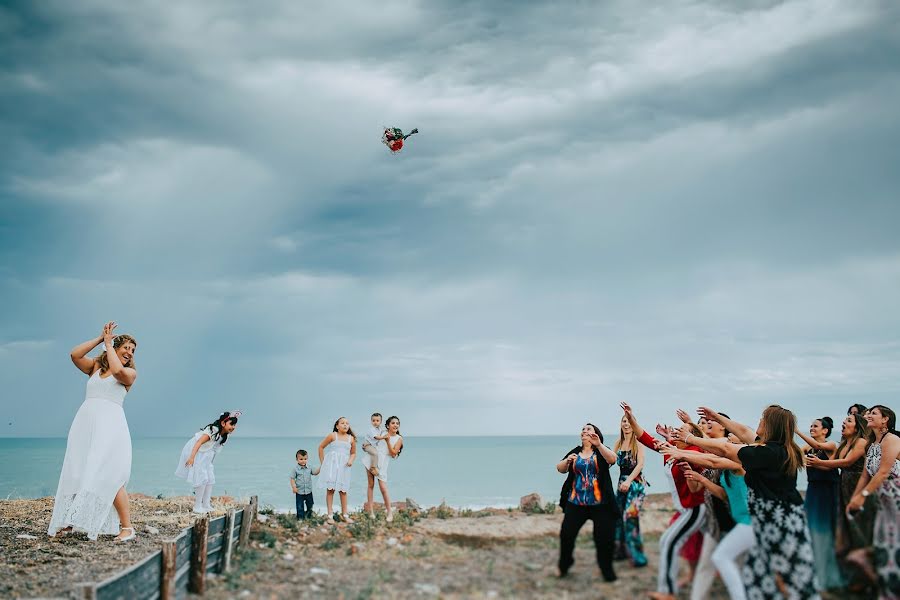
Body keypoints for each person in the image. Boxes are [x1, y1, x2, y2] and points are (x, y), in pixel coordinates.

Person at [676, 405, 820, 600]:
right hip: (769, 521)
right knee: (763, 577)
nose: (759, 420)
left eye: (763, 417)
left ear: (771, 426)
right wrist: (717, 417)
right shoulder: (771, 448)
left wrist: (689, 439)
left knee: (795, 578)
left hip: (780, 523)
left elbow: (725, 449)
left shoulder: (768, 454)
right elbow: (743, 431)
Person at [48, 322, 138, 542]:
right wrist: (101, 339)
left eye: (133, 350)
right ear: (116, 348)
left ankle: (127, 528)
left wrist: (109, 345)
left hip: (111, 429)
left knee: (112, 474)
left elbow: (117, 371)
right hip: (86, 426)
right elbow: (74, 354)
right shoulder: (96, 367)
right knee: (77, 470)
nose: (130, 353)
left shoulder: (129, 373)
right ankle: (70, 521)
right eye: (126, 347)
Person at [620, 403, 705, 600]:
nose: (676, 431)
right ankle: (669, 587)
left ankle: (667, 592)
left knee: (669, 543)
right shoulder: (671, 449)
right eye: (678, 429)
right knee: (669, 542)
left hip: (694, 509)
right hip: (683, 509)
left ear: (691, 436)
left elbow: (701, 453)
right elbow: (646, 438)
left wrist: (688, 428)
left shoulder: (695, 451)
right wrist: (631, 417)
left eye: (681, 429)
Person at [660, 440, 754, 600]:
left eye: (734, 442)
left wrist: (680, 452)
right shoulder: (726, 472)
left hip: (750, 523)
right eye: (729, 441)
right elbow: (724, 495)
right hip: (738, 523)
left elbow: (713, 460)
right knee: (739, 564)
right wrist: (698, 477)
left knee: (723, 558)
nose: (730, 444)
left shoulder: (739, 465)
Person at [806, 413, 876, 591]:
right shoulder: (845, 443)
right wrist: (816, 464)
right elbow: (835, 464)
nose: (844, 423)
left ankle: (868, 579)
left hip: (856, 486)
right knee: (847, 532)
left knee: (860, 532)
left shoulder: (860, 441)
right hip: (843, 488)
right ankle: (854, 576)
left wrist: (818, 462)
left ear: (858, 425)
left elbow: (846, 462)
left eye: (848, 421)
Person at [847, 405, 900, 599]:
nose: (867, 415)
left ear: (885, 419)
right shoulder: (871, 444)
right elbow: (865, 476)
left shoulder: (892, 439)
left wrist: (864, 495)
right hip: (883, 502)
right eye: (868, 413)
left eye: (873, 413)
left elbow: (884, 472)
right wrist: (855, 497)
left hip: (897, 498)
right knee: (884, 545)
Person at [557, 423, 618, 582]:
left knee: (604, 539)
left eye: (589, 429)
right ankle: (564, 565)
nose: (585, 431)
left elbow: (613, 459)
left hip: (601, 504)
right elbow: (560, 468)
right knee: (566, 535)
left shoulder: (601, 451)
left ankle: (607, 571)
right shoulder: (575, 451)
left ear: (596, 434)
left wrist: (599, 444)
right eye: (583, 429)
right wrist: (567, 462)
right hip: (576, 503)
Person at [797, 417, 845, 591]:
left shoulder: (831, 445)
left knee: (824, 532)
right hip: (813, 491)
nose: (812, 428)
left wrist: (796, 430)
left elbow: (823, 456)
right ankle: (814, 572)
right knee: (810, 531)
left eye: (815, 426)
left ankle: (826, 576)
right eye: (810, 426)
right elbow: (795, 451)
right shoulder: (808, 448)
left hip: (827, 493)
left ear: (825, 430)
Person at [175, 411, 240, 514]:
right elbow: (198, 442)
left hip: (206, 454)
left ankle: (206, 505)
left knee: (210, 478)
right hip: (196, 451)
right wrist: (191, 458)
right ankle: (197, 506)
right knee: (202, 477)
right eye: (231, 424)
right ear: (223, 423)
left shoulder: (224, 436)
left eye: (235, 425)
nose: (234, 427)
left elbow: (213, 450)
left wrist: (210, 464)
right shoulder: (213, 431)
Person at [613, 414, 648, 568]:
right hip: (621, 485)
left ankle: (638, 557)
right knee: (618, 518)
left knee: (630, 517)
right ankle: (620, 552)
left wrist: (628, 480)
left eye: (628, 421)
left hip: (635, 485)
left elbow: (640, 465)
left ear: (633, 424)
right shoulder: (618, 443)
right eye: (623, 421)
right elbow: (610, 461)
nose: (626, 424)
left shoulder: (638, 442)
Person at [364, 416, 403, 522]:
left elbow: (393, 453)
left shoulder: (398, 438)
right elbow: (373, 442)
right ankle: (371, 512)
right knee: (370, 485)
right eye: (393, 423)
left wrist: (387, 441)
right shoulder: (381, 432)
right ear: (388, 425)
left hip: (383, 463)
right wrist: (366, 446)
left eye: (397, 423)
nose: (395, 425)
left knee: (383, 488)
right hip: (371, 459)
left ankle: (389, 513)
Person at [317, 417, 356, 524]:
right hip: (331, 466)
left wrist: (351, 460)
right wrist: (323, 463)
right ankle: (330, 515)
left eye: (347, 423)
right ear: (337, 426)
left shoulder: (350, 438)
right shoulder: (332, 435)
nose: (345, 425)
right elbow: (321, 447)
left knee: (343, 491)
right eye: (342, 423)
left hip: (344, 467)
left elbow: (353, 453)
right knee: (330, 490)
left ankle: (345, 515)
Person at [290, 449, 319, 520]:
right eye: (301, 459)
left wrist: (320, 468)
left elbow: (315, 473)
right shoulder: (295, 469)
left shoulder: (309, 467)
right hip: (299, 491)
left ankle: (309, 515)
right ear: (297, 459)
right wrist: (294, 487)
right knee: (299, 505)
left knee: (310, 504)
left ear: (307, 459)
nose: (303, 461)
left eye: (305, 459)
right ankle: (300, 518)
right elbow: (292, 478)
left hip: (308, 490)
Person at [361, 413, 387, 477]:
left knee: (375, 453)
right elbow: (376, 437)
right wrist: (384, 437)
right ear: (371, 421)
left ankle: (375, 466)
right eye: (373, 421)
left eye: (377, 421)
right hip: (367, 445)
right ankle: (373, 468)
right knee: (375, 453)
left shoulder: (379, 429)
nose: (375, 422)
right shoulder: (372, 429)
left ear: (380, 422)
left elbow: (383, 431)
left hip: (371, 444)